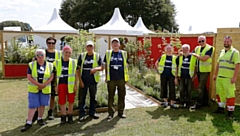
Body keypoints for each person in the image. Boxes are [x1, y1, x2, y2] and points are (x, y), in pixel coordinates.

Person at [21, 49, 54, 132]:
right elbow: (29, 76)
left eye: (42, 55)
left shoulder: (50, 65)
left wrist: (44, 85)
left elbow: (51, 77)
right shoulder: (31, 65)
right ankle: (29, 122)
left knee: (42, 104)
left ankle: (40, 119)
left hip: (45, 89)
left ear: (45, 56)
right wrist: (39, 85)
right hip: (34, 89)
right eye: (38, 55)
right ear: (36, 56)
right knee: (32, 106)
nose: (40, 57)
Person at [32, 37, 62, 122]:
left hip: (54, 76)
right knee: (40, 94)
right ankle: (37, 113)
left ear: (55, 44)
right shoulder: (42, 53)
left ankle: (50, 111)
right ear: (46, 43)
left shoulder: (59, 53)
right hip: (42, 76)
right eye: (49, 43)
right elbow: (34, 62)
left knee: (52, 95)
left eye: (52, 43)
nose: (51, 44)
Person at [213, 36, 240, 119]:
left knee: (230, 95)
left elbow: (237, 65)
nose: (226, 43)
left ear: (231, 42)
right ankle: (221, 108)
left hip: (229, 78)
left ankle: (230, 113)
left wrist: (234, 77)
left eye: (228, 42)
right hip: (220, 77)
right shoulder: (221, 51)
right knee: (220, 94)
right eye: (225, 41)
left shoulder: (235, 52)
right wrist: (215, 74)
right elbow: (218, 64)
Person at [77, 41, 103, 122]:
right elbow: (77, 69)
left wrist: (95, 69)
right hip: (83, 81)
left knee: (93, 98)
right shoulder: (82, 56)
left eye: (91, 46)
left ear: (93, 47)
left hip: (93, 81)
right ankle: (82, 114)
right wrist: (80, 81)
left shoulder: (97, 56)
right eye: (88, 46)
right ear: (86, 47)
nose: (89, 48)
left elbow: (102, 67)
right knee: (82, 98)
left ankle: (92, 113)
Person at [104, 38, 129, 120]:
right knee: (111, 96)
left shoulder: (124, 53)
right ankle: (110, 113)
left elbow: (127, 65)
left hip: (121, 78)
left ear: (119, 45)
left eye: (116, 43)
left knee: (121, 96)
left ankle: (121, 112)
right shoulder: (108, 53)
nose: (115, 45)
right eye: (113, 43)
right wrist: (106, 77)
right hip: (111, 79)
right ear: (111, 45)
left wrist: (126, 77)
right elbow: (106, 66)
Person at [53, 46, 78, 124]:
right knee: (62, 101)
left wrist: (75, 85)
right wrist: (55, 85)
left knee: (71, 101)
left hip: (70, 85)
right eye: (66, 52)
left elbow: (76, 75)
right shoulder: (56, 62)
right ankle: (63, 116)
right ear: (63, 52)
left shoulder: (74, 62)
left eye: (69, 52)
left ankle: (70, 115)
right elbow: (54, 75)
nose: (68, 54)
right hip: (61, 84)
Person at [191, 35, 215, 109]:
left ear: (205, 40)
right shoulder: (197, 48)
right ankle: (205, 101)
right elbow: (191, 55)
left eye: (202, 41)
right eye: (199, 41)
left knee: (200, 87)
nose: (201, 42)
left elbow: (205, 58)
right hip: (198, 70)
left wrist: (196, 55)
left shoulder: (210, 48)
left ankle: (198, 103)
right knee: (203, 86)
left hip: (205, 71)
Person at [155, 44, 178, 109]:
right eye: (167, 49)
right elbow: (156, 63)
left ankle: (172, 103)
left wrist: (176, 77)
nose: (169, 50)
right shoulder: (163, 56)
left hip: (172, 75)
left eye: (170, 49)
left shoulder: (175, 58)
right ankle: (165, 102)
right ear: (165, 50)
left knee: (172, 89)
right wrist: (159, 71)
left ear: (172, 50)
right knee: (163, 87)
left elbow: (176, 67)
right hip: (164, 75)